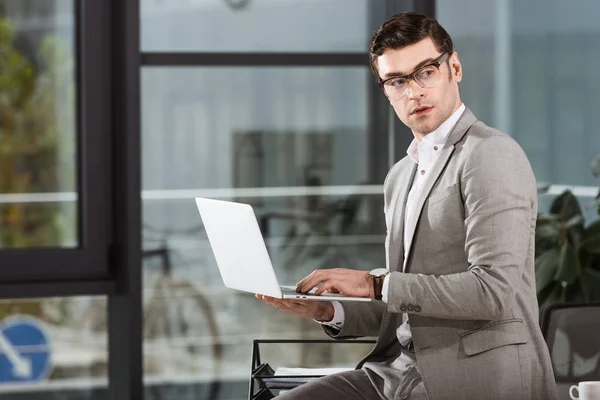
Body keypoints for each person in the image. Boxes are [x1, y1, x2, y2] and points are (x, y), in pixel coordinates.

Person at [256, 12, 557, 400]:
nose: (413, 92)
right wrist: (330, 310)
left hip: (473, 375)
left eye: (425, 72)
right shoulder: (400, 176)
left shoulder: (490, 154)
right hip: (395, 372)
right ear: (386, 91)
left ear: (455, 67)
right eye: (398, 81)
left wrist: (373, 283)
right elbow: (405, 303)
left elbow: (493, 290)